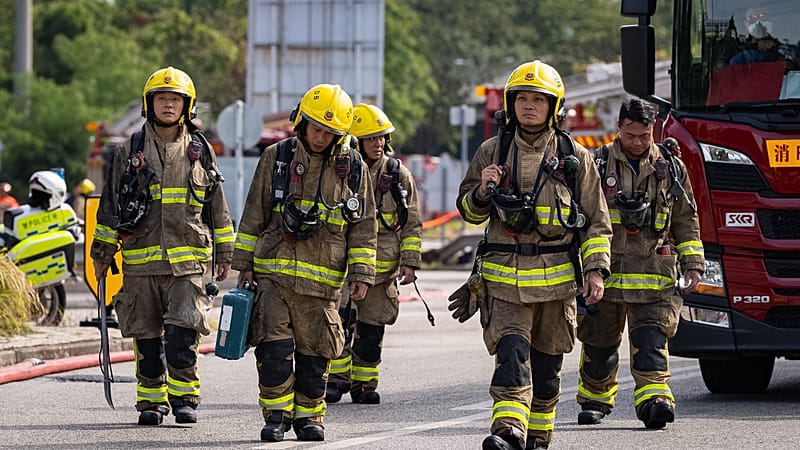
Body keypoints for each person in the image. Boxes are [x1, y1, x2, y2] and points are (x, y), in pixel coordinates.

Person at [452, 60, 612, 450]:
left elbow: (596, 221)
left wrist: (596, 271)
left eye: (538, 100)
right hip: (504, 281)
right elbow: (470, 213)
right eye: (522, 98)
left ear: (553, 107)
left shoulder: (576, 157)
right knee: (511, 353)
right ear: (510, 104)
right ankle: (508, 429)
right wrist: (483, 192)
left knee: (546, 366)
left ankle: (538, 434)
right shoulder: (492, 150)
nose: (528, 106)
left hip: (557, 287)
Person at [90, 66, 235, 426]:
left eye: (175, 99)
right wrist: (100, 256)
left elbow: (217, 207)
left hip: (189, 264)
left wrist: (226, 253)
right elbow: (109, 207)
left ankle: (185, 397)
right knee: (147, 340)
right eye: (162, 98)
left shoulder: (201, 150)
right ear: (148, 104)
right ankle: (151, 402)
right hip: (141, 264)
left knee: (182, 333)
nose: (168, 105)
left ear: (187, 106)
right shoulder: (128, 152)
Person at [232, 84, 377, 442]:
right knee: (273, 350)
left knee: (317, 353)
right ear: (302, 122)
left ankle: (311, 418)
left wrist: (361, 272)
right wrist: (244, 263)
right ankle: (276, 416)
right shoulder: (276, 158)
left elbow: (364, 227)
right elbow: (254, 215)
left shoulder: (353, 169)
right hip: (274, 278)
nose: (320, 137)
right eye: (316, 128)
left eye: (330, 133)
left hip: (324, 285)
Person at [575, 98, 704, 430]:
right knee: (599, 346)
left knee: (652, 344)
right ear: (619, 127)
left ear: (653, 129)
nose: (637, 142)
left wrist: (693, 263)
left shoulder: (671, 168)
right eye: (630, 135)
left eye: (644, 136)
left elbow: (686, 220)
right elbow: (584, 219)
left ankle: (654, 401)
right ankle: (595, 400)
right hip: (608, 274)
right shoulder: (597, 164)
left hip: (654, 275)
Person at [325, 104, 422, 405]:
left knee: (370, 330)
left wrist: (409, 262)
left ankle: (364, 383)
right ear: (355, 141)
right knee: (337, 323)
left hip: (382, 271)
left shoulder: (397, 176)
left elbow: (412, 223)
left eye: (381, 137)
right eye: (371, 138)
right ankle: (337, 379)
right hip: (341, 269)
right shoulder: (339, 172)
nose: (378, 144)